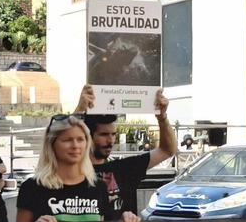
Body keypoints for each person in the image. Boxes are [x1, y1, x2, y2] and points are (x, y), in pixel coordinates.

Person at [75, 85, 177, 214]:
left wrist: (162, 117)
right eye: (104, 135)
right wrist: (79, 112)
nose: (110, 140)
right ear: (87, 136)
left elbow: (167, 150)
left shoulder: (125, 168)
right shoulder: (70, 172)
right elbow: (56, 143)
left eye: (113, 134)